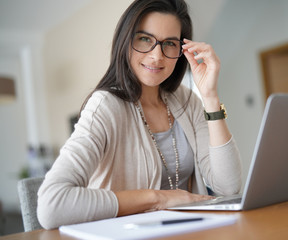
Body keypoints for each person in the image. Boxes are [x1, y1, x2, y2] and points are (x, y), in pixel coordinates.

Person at [37, 0, 241, 229]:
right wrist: (159, 198)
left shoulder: (186, 101)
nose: (157, 56)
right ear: (125, 41)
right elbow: (51, 205)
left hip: (189, 231)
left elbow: (228, 187)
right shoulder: (105, 106)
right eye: (145, 39)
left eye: (170, 43)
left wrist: (210, 96)